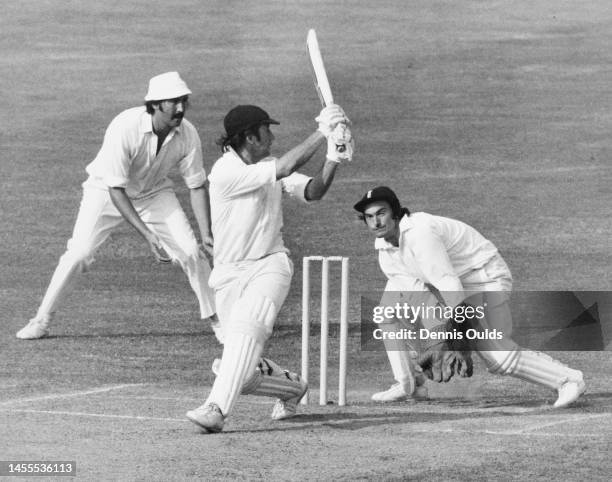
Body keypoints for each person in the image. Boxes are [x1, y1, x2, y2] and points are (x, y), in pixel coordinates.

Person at [186, 103, 352, 433]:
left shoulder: (267, 166)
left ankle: (216, 410)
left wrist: (334, 157)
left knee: (247, 332)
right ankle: (293, 389)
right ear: (250, 136)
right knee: (241, 370)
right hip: (230, 274)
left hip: (270, 265)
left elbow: (313, 191)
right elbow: (286, 165)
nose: (272, 136)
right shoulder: (226, 172)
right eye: (267, 130)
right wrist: (322, 130)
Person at [17, 72, 217, 339]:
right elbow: (116, 189)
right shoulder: (125, 127)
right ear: (156, 104)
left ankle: (220, 321)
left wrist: (206, 233)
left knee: (192, 252)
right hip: (105, 191)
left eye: (183, 101)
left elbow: (195, 185)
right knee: (79, 253)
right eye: (173, 102)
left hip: (154, 193)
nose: (180, 108)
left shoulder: (188, 134)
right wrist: (147, 234)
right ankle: (41, 320)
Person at [354, 186, 586, 408]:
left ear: (395, 212)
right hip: (451, 281)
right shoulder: (385, 253)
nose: (376, 221)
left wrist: (459, 342)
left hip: (484, 277)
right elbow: (422, 299)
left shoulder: (419, 233)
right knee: (387, 311)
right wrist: (438, 341)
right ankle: (408, 384)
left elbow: (448, 282)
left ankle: (568, 379)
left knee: (496, 356)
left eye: (381, 213)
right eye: (369, 216)